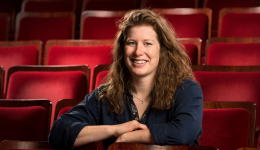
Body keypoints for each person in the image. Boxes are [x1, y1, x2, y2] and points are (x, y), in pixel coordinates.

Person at [48, 9, 203, 150]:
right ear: (122, 49)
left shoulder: (186, 89)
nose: (138, 51)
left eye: (147, 43)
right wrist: (114, 130)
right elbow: (58, 132)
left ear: (162, 50)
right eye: (131, 43)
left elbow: (184, 133)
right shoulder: (105, 95)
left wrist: (128, 137)